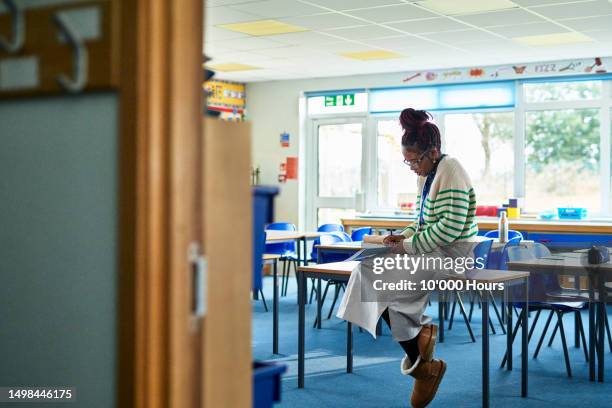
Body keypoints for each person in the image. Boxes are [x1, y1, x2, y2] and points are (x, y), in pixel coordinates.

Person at [337, 108, 478, 408]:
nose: (412, 166)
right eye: (408, 161)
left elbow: (450, 228)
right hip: (433, 249)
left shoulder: (450, 169)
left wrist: (408, 247)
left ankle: (421, 357)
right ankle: (421, 355)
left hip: (452, 256)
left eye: (415, 160)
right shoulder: (428, 174)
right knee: (367, 273)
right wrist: (404, 235)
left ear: (433, 152)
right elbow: (423, 222)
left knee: (377, 280)